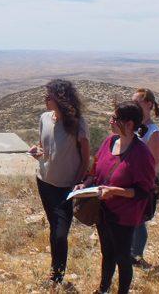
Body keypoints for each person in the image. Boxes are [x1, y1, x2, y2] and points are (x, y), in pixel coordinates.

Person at [75, 101, 155, 294]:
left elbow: (143, 191)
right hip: (103, 211)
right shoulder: (109, 142)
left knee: (122, 258)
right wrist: (84, 185)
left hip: (124, 217)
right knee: (107, 253)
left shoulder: (141, 154)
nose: (110, 121)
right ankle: (103, 289)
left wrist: (114, 191)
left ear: (129, 124)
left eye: (115, 118)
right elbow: (95, 172)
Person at [28, 79, 90, 288]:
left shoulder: (78, 123)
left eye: (49, 95)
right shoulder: (44, 118)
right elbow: (43, 147)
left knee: (61, 232)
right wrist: (36, 152)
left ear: (61, 98)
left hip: (66, 187)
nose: (45, 98)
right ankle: (55, 274)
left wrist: (77, 184)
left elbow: (85, 159)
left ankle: (57, 276)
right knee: (54, 228)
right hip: (44, 181)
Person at [130, 88, 159, 265]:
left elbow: (156, 164)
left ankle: (136, 255)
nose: (133, 106)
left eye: (137, 102)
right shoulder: (134, 127)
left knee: (139, 219)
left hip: (143, 182)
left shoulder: (153, 132)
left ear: (149, 104)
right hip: (129, 180)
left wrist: (142, 183)